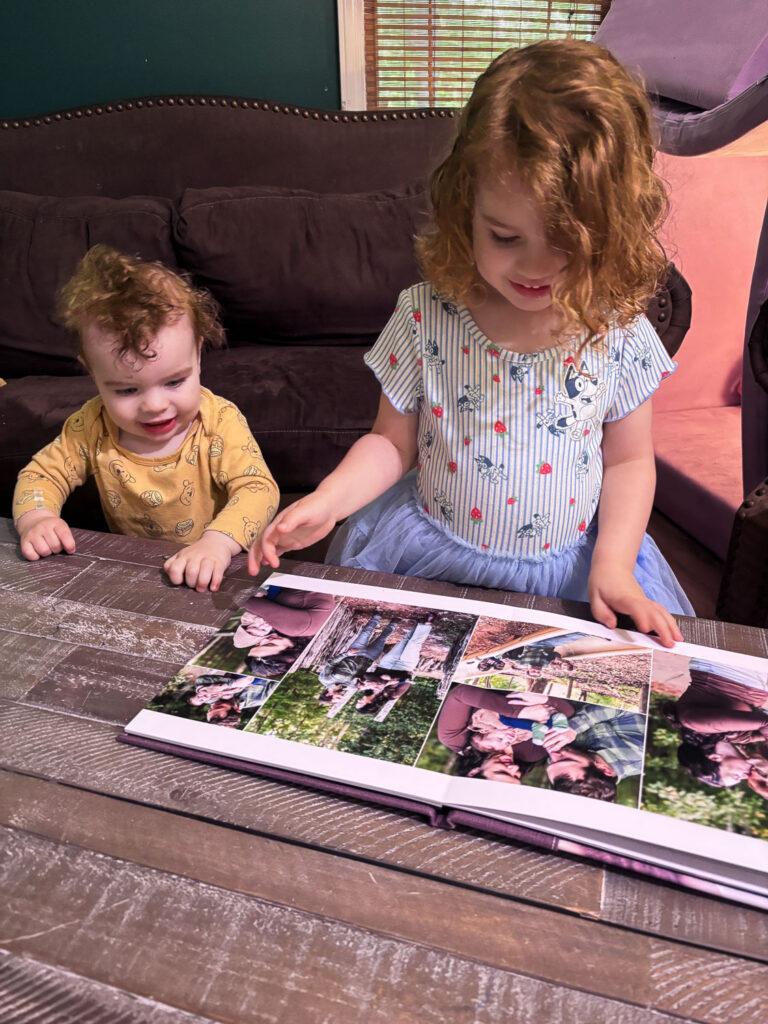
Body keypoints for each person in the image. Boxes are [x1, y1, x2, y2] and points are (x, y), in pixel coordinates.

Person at [250, 39, 694, 647]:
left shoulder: (616, 333)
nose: (535, 268)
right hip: (427, 552)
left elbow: (629, 460)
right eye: (506, 236)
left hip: (569, 571)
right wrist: (329, 500)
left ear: (614, 227)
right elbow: (390, 442)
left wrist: (614, 565)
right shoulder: (425, 316)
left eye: (567, 241)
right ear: (467, 208)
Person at [12, 244, 278, 592]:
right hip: (133, 575)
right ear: (91, 372)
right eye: (127, 390)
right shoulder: (93, 423)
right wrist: (38, 518)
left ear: (198, 355)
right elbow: (40, 474)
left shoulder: (218, 421)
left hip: (217, 572)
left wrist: (217, 544)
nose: (154, 405)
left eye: (174, 381)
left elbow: (258, 489)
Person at [542, 705, 646, 801]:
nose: (553, 753)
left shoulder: (558, 761)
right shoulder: (638, 753)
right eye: (566, 759)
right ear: (604, 769)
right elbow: (626, 706)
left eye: (551, 762)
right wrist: (573, 727)